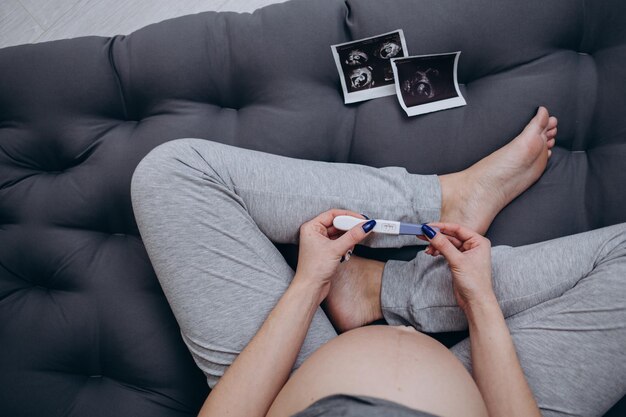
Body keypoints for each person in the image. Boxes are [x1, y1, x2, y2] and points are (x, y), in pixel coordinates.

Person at [130, 107, 625, 417]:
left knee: (173, 174)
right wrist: (479, 301)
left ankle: (439, 206)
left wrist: (309, 286)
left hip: (285, 379)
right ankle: (393, 287)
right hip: (491, 393)